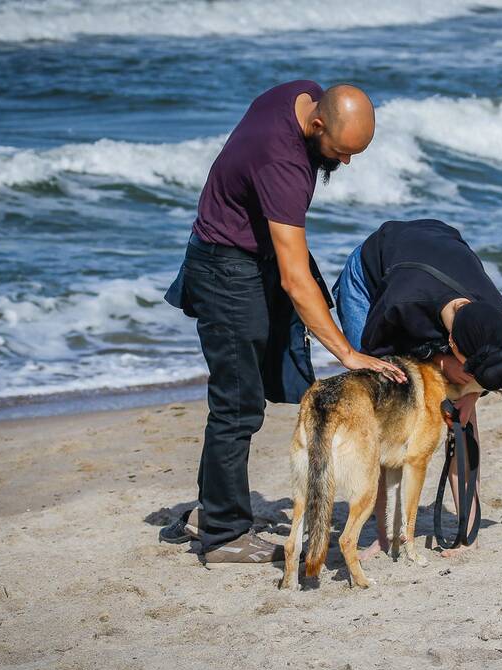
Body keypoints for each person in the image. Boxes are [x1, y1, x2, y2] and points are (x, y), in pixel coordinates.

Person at [160, 81, 405, 564]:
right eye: (340, 151)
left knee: (257, 386)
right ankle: (225, 536)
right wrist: (349, 354)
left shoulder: (301, 94)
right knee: (237, 404)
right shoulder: (284, 165)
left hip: (253, 257)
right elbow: (296, 281)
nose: (347, 163)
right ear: (316, 125)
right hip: (226, 266)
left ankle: (210, 511)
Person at [332, 218, 502, 559]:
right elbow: (378, 353)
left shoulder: (500, 317)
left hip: (434, 253)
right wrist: (436, 359)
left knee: (463, 416)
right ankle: (384, 534)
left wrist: (473, 392)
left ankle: (468, 528)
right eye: (464, 361)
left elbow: (499, 364)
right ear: (449, 341)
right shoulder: (400, 302)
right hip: (371, 277)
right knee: (386, 404)